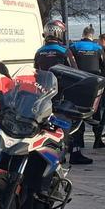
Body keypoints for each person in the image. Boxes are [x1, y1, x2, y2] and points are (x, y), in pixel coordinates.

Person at [34, 19, 91, 165]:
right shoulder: (64, 51)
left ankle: (53, 152)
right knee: (69, 125)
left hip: (44, 94)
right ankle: (74, 152)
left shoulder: (39, 52)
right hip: (63, 93)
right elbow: (75, 71)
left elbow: (36, 72)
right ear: (59, 33)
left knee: (47, 125)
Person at [68, 26, 103, 156]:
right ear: (92, 35)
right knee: (95, 112)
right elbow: (103, 64)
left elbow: (71, 65)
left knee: (78, 112)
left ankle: (80, 140)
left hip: (79, 82)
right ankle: (98, 140)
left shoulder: (74, 47)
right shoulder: (98, 48)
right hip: (95, 84)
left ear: (83, 34)